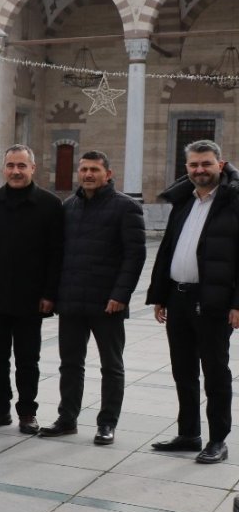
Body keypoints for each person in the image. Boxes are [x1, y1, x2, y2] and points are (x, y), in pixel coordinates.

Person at [41, 150, 145, 445]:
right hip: (72, 300)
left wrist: (121, 295)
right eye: (84, 169)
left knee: (111, 366)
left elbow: (135, 256)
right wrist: (54, 295)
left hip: (107, 303)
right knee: (70, 364)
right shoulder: (69, 206)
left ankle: (107, 423)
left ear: (108, 174)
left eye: (94, 170)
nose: (88, 174)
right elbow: (58, 254)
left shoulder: (126, 207)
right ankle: (67, 419)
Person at [146, 140, 237, 464]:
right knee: (183, 371)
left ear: (220, 165)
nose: (200, 170)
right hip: (178, 297)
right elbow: (168, 250)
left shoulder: (233, 201)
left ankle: (217, 440)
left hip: (213, 301)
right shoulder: (184, 200)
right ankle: (189, 434)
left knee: (215, 373)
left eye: (206, 163)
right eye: (194, 165)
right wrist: (160, 295)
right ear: (186, 168)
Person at [0, 145, 63, 435]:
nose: (16, 171)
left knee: (27, 360)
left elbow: (56, 254)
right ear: (3, 169)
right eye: (10, 166)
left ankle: (27, 412)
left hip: (31, 298)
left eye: (22, 166)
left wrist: (50, 294)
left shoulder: (50, 204)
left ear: (33, 168)